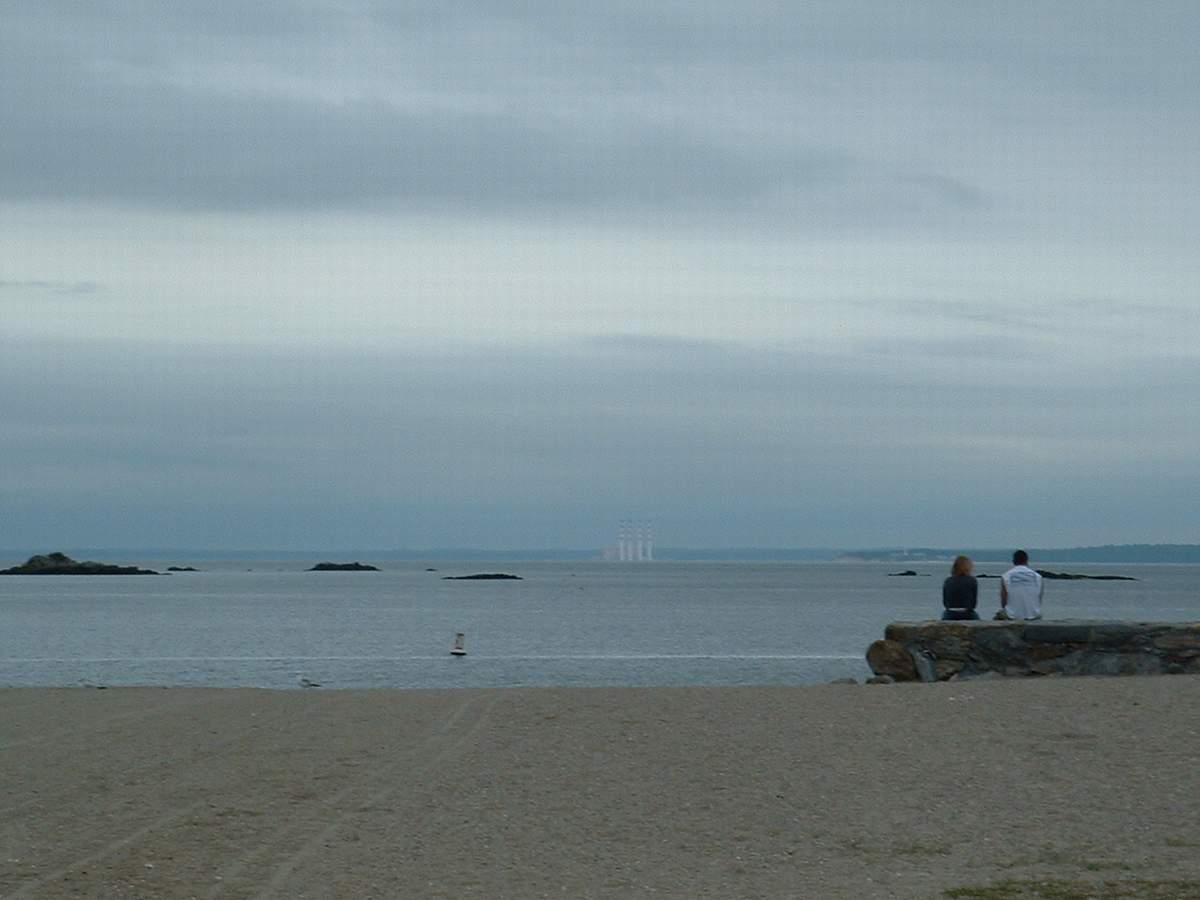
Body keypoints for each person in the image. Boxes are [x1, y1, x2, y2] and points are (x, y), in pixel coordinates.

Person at [1000, 549, 1043, 620]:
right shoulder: (1038, 577)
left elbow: (1004, 600)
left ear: (1013, 561)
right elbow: (1039, 598)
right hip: (1034, 615)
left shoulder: (1006, 576)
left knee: (998, 615)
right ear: (1027, 560)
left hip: (1012, 616)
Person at [941, 555, 979, 620]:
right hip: (968, 613)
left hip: (950, 613)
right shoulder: (972, 580)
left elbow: (945, 601)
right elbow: (974, 602)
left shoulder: (948, 581)